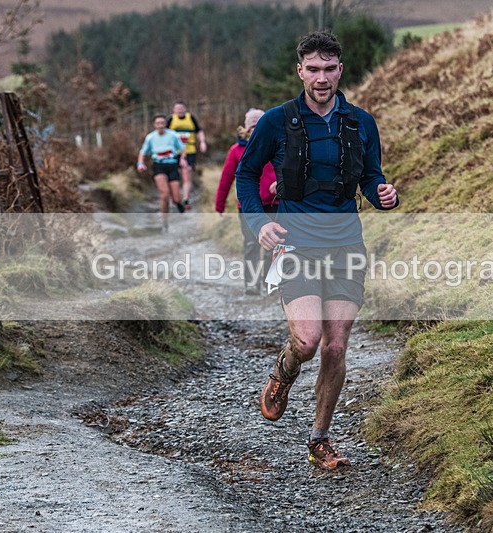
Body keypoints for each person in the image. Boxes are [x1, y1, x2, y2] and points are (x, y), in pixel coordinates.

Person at [235, 31, 399, 470]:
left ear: (340, 70)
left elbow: (371, 176)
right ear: (300, 71)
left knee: (336, 347)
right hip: (295, 244)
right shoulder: (276, 120)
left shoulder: (361, 122)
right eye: (313, 69)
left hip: (346, 245)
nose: (322, 77)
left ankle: (319, 439)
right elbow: (246, 175)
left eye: (329, 69)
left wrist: (383, 193)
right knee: (308, 341)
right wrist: (259, 223)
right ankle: (284, 371)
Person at [216, 108, 279, 296]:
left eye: (260, 126)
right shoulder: (236, 151)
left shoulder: (276, 145)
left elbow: (288, 168)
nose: (256, 130)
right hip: (248, 207)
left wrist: (281, 182)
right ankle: (251, 283)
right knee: (251, 245)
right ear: (247, 129)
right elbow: (226, 178)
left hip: (274, 203)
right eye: (253, 126)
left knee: (273, 245)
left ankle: (270, 283)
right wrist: (219, 205)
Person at [137, 114, 187, 231]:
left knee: (175, 198)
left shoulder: (173, 135)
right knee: (164, 195)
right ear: (154, 125)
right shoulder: (150, 137)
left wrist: (183, 159)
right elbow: (143, 152)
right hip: (158, 166)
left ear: (165, 124)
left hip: (172, 165)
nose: (160, 126)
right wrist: (140, 163)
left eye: (162, 123)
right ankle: (164, 221)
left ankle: (179, 203)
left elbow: (183, 149)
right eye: (158, 123)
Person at [166, 100, 207, 209]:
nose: (179, 110)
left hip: (189, 149)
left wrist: (202, 142)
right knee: (176, 175)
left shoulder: (191, 118)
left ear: (185, 109)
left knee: (187, 172)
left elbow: (199, 131)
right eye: (177, 109)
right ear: (174, 110)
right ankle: (176, 197)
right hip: (174, 151)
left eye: (181, 108)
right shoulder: (170, 120)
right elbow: (163, 134)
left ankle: (186, 198)